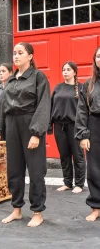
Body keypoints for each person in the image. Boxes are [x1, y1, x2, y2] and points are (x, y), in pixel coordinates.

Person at [0, 42, 50, 227]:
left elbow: (43, 106)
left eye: (20, 53)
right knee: (14, 169)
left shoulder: (38, 77)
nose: (16, 56)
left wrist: (36, 133)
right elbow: (3, 107)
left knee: (35, 170)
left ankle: (37, 212)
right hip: (11, 125)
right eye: (14, 53)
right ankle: (17, 209)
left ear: (30, 56)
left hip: (30, 123)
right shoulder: (10, 80)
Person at [48, 62, 85, 193]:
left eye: (68, 70)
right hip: (59, 126)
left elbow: (85, 109)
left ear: (75, 72)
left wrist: (84, 128)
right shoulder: (58, 88)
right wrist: (49, 125)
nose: (65, 72)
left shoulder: (81, 88)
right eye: (63, 70)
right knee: (64, 156)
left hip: (75, 126)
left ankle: (79, 184)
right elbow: (51, 107)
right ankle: (67, 182)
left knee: (78, 155)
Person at [75, 46, 100, 221]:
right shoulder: (88, 84)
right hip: (95, 126)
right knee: (94, 170)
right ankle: (96, 206)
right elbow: (82, 111)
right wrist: (83, 134)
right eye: (98, 56)